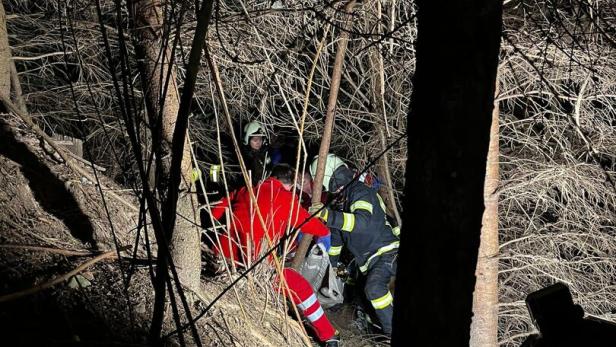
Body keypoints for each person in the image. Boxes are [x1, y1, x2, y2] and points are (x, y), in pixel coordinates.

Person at [210, 164, 340, 346]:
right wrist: (322, 225)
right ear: (291, 184)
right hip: (253, 264)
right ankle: (328, 336)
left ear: (270, 176)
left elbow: (215, 212)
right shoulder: (285, 197)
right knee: (299, 286)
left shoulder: (245, 189)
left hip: (220, 258)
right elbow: (317, 228)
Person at [309, 154, 399, 337]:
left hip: (386, 252)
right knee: (360, 299)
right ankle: (373, 331)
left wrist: (328, 216)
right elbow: (336, 241)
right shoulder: (338, 204)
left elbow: (362, 223)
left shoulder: (360, 191)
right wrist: (332, 267)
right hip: (367, 262)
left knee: (374, 289)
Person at [241, 121, 281, 186]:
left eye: (260, 139)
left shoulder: (265, 153)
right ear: (247, 140)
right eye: (255, 140)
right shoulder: (243, 157)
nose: (258, 142)